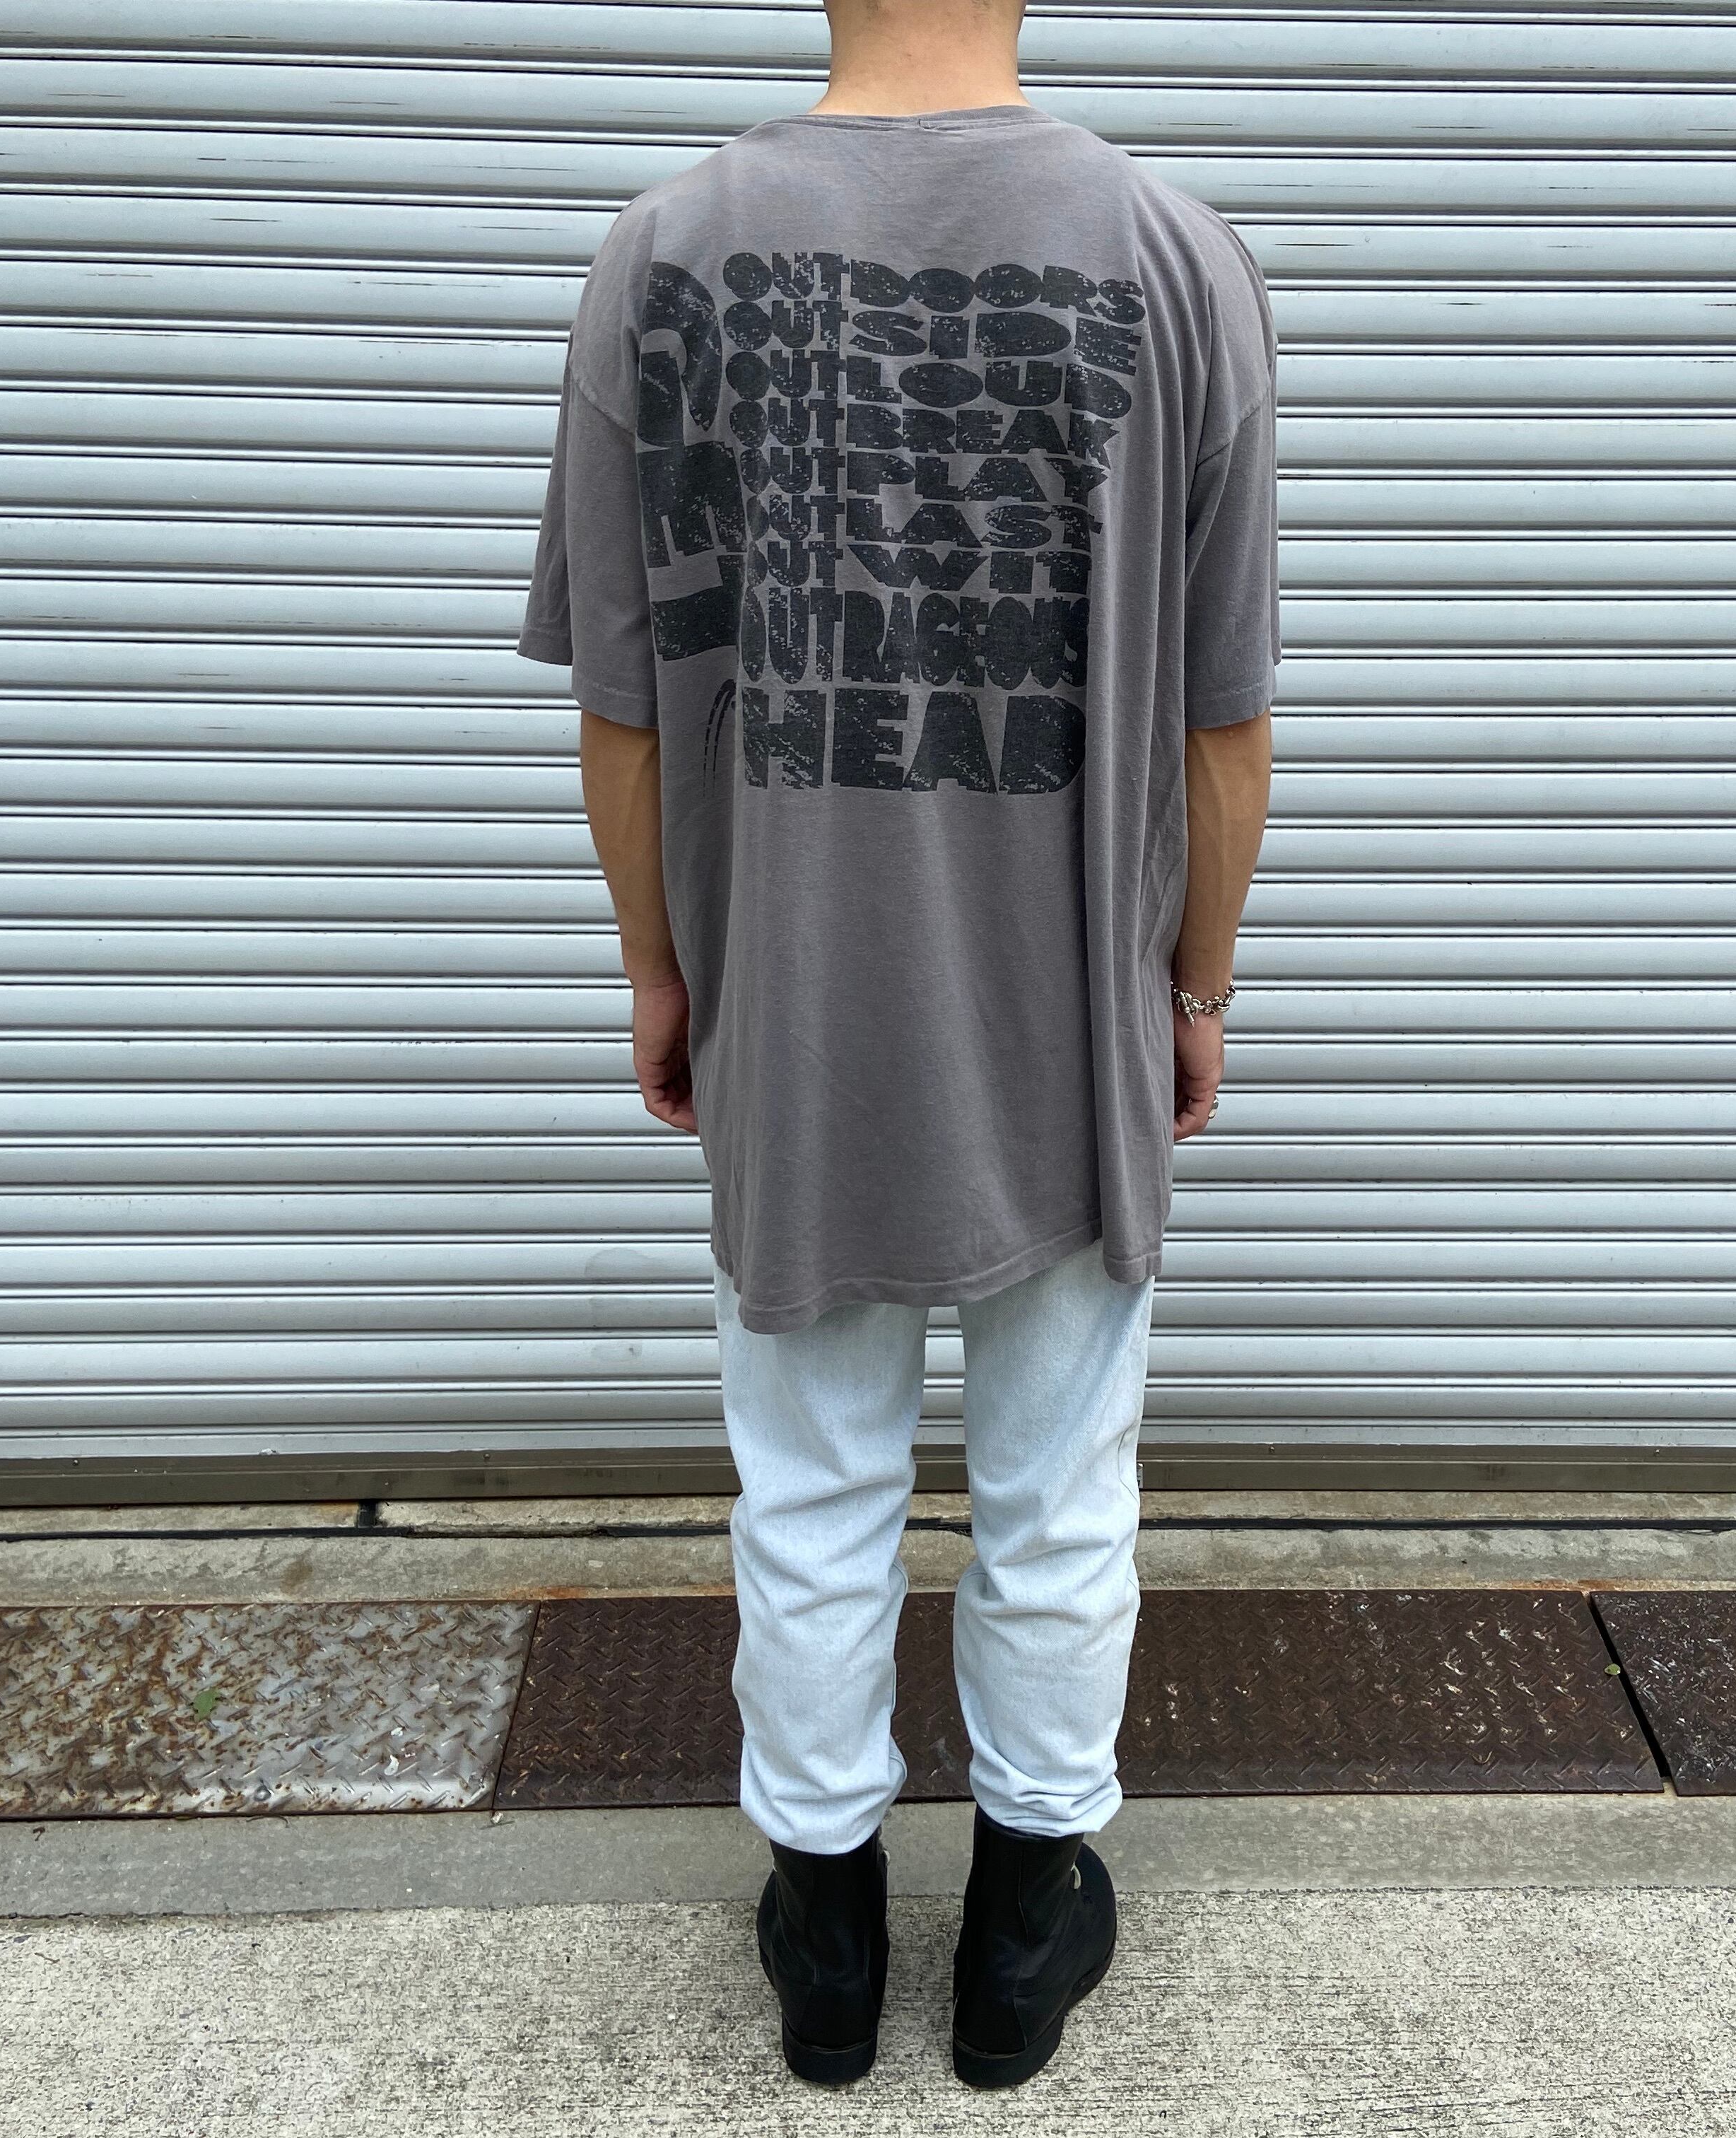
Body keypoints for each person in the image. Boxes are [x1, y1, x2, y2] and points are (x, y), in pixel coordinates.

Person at [517, 0, 1277, 2091]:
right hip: (1071, 1017)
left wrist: (661, 972)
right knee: (1060, 1491)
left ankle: (828, 1938)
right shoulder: (1177, 257)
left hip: (796, 1005)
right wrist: (1194, 991)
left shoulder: (665, 251)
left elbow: (621, 709)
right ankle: (1024, 1933)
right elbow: (1224, 726)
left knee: (812, 1486)